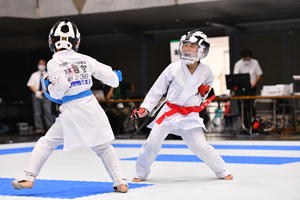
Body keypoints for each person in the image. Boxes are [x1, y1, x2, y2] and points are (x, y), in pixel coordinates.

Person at [12, 18, 128, 193]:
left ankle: (29, 177)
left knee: (46, 142)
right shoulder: (85, 59)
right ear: (77, 42)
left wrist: (49, 87)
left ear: (51, 41)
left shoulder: (54, 62)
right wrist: (114, 76)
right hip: (92, 107)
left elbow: (61, 89)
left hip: (72, 110)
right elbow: (112, 78)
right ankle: (120, 182)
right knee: (104, 147)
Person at [131, 30, 233, 182]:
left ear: (202, 50)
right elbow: (157, 90)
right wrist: (145, 108)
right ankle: (141, 173)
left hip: (189, 115)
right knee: (152, 143)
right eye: (185, 45)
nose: (186, 48)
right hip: (169, 111)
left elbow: (205, 93)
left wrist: (203, 93)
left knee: (200, 146)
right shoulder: (173, 67)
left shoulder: (206, 71)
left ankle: (221, 170)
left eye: (191, 46)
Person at [233, 49, 263, 130]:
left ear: (250, 57)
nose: (246, 60)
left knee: (250, 106)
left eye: (248, 58)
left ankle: (253, 125)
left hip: (251, 87)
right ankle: (245, 126)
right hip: (241, 89)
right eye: (244, 59)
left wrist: (254, 82)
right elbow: (235, 77)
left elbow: (259, 74)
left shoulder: (255, 62)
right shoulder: (238, 64)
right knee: (242, 107)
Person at [27, 59, 54, 134]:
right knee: (37, 112)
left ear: (45, 65)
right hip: (36, 95)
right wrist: (36, 92)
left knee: (48, 111)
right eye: (40, 64)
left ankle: (50, 128)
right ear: (38, 65)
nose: (41, 65)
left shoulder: (48, 74)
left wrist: (42, 92)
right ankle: (39, 129)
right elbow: (30, 85)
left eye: (43, 64)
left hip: (46, 95)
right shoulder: (34, 74)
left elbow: (50, 84)